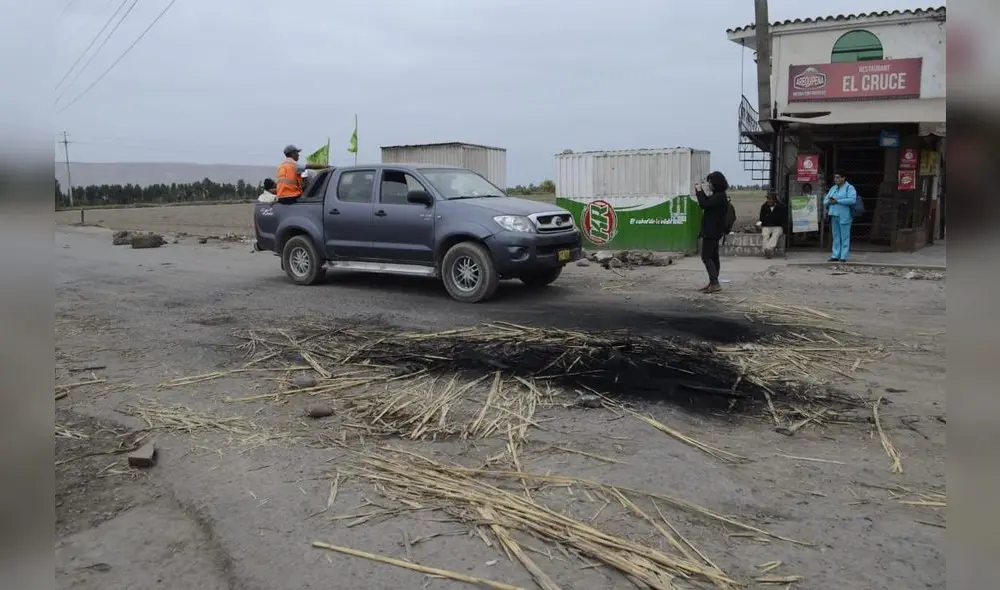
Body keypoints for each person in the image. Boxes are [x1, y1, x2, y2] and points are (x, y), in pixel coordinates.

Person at [694, 171, 730, 293]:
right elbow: (707, 202)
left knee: (706, 256)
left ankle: (715, 283)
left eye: (710, 182)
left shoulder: (719, 197)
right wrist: (700, 192)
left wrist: (699, 191)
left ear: (716, 183)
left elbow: (703, 204)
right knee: (713, 257)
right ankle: (713, 282)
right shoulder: (719, 196)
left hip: (712, 230)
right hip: (715, 230)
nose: (709, 184)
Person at [823, 171, 858, 262]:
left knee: (844, 236)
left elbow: (852, 200)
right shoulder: (833, 188)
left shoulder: (849, 188)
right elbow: (825, 200)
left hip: (844, 215)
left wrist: (838, 201)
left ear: (843, 178)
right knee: (836, 236)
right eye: (835, 177)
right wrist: (830, 201)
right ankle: (835, 255)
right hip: (834, 214)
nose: (836, 179)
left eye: (838, 177)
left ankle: (843, 256)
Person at [756, 191, 787, 259]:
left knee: (775, 234)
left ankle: (768, 249)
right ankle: (768, 251)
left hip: (778, 226)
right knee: (765, 235)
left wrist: (772, 219)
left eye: (770, 199)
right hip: (767, 226)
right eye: (768, 199)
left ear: (774, 200)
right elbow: (762, 218)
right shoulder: (764, 206)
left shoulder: (781, 207)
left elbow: (783, 218)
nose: (769, 200)